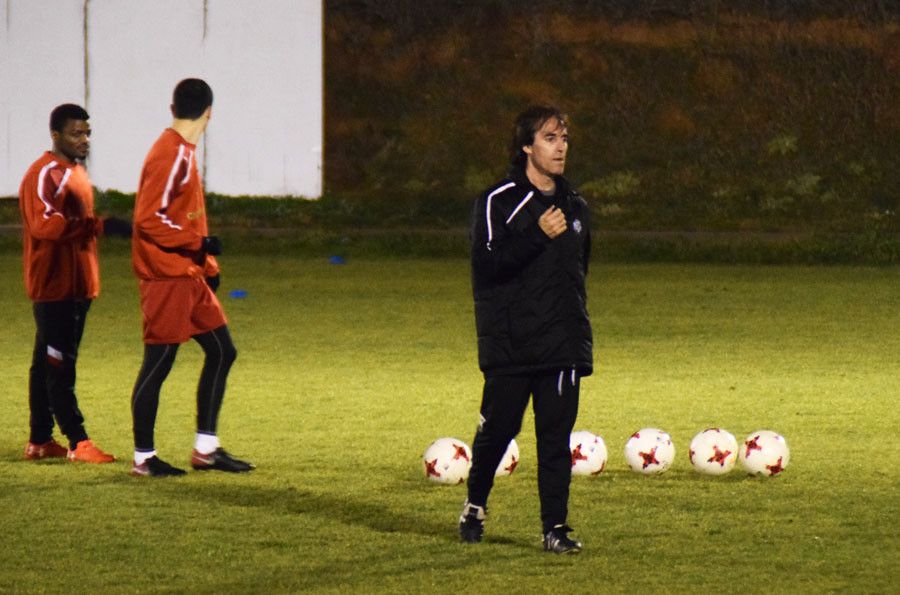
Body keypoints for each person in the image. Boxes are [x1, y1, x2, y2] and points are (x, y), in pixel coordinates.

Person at [459, 106, 593, 554]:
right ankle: (475, 504)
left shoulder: (576, 206)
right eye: (550, 138)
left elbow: (578, 272)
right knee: (500, 429)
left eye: (565, 138)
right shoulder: (497, 200)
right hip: (513, 343)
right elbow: (486, 266)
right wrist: (536, 234)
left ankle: (555, 529)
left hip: (561, 342)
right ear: (526, 146)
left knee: (555, 439)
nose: (561, 146)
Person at [129, 78, 253, 477]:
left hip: (188, 274)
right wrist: (196, 241)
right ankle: (144, 458)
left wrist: (207, 263)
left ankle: (206, 449)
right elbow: (149, 220)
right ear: (209, 111)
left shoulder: (182, 150)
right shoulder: (170, 154)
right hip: (166, 275)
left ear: (173, 107)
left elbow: (186, 213)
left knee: (222, 350)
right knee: (159, 361)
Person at [19, 103, 131, 463]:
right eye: (75, 133)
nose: (84, 140)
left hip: (77, 285)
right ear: (55, 135)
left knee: (45, 362)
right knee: (59, 364)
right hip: (55, 286)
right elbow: (45, 226)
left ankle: (40, 440)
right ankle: (77, 441)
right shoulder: (44, 174)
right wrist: (99, 225)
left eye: (87, 133)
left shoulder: (73, 171)